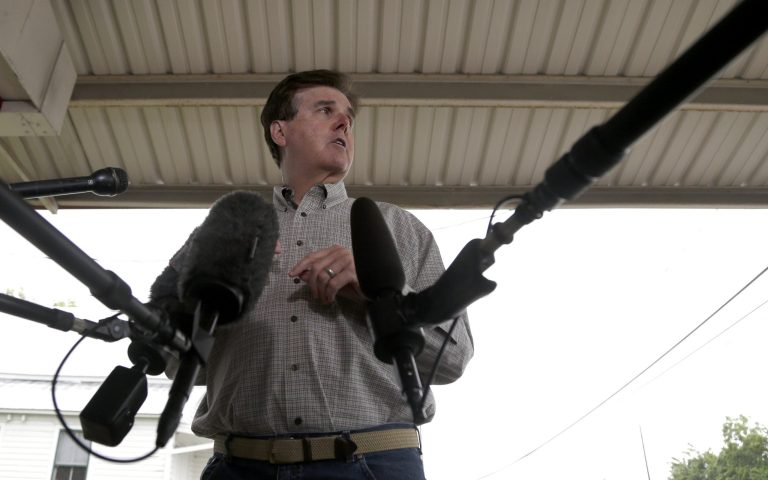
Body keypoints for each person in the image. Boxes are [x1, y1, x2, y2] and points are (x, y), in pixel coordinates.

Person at [150, 70, 473, 480]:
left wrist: (381, 296)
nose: (344, 123)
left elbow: (452, 360)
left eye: (348, 118)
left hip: (372, 465)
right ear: (280, 131)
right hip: (239, 469)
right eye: (325, 110)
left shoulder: (399, 228)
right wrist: (217, 298)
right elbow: (177, 364)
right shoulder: (223, 233)